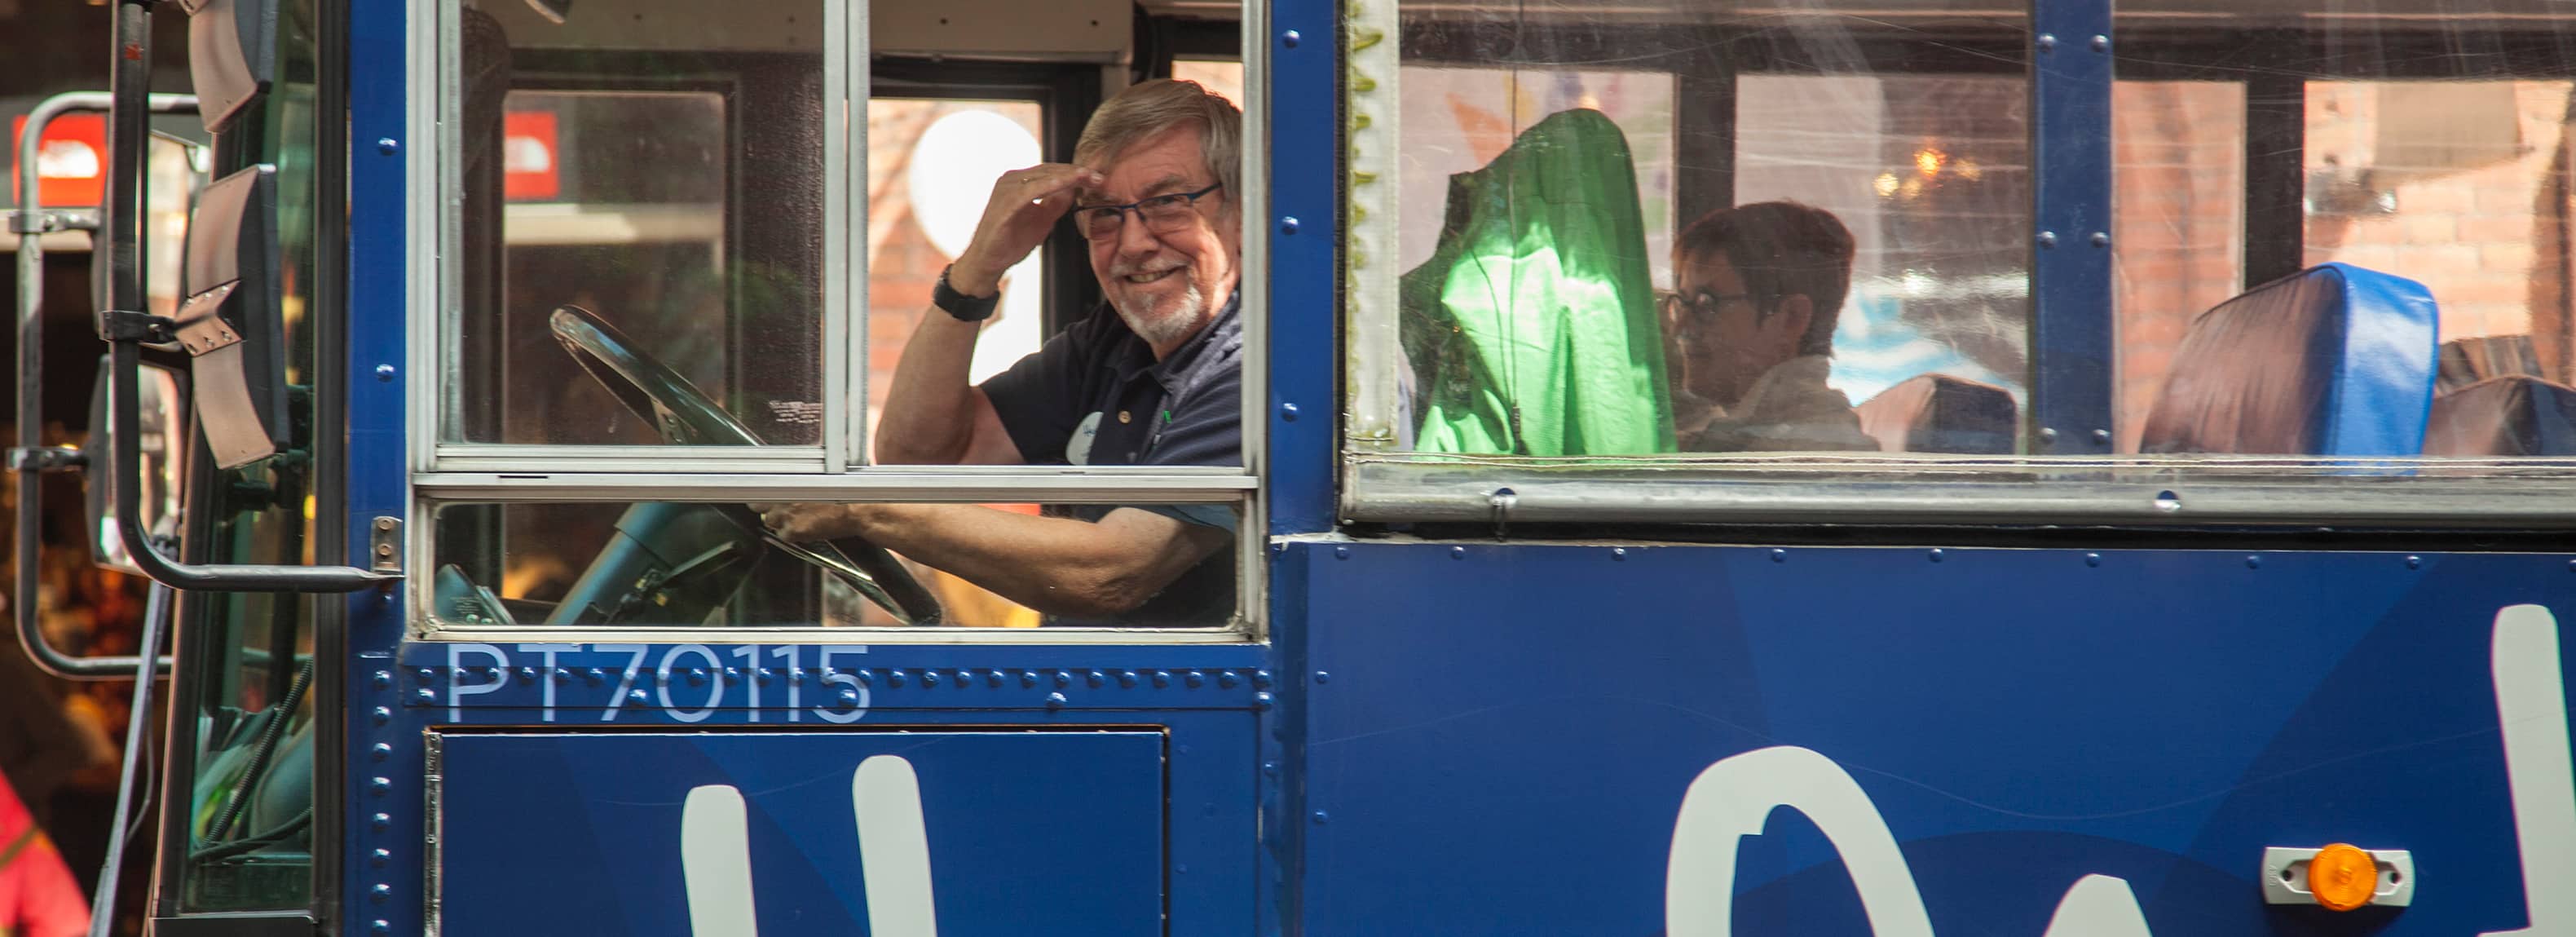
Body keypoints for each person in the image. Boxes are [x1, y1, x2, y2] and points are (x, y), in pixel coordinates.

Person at [756, 80, 1242, 625]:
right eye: (1105, 213)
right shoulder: (1113, 341)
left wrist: (864, 508)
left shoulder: (1253, 369)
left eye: (1167, 203)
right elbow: (920, 459)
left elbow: (1113, 573)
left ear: (1242, 210)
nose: (1133, 243)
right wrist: (978, 269)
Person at [1663, 201, 1877, 453]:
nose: (1680, 329)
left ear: (1791, 319)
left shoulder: (1809, 449)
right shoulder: (1751, 433)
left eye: (1705, 304)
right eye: (1682, 304)